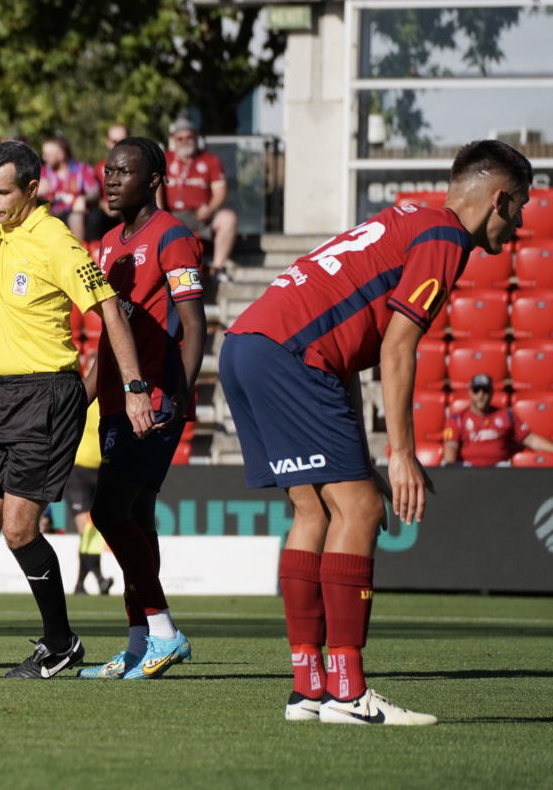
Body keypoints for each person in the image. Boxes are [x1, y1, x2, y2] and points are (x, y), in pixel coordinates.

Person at [219, 139, 532, 724]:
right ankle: (346, 690)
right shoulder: (444, 239)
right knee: (359, 512)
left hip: (247, 346)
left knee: (315, 512)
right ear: (500, 200)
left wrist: (363, 461)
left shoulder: (407, 218)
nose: (519, 225)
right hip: (293, 355)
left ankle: (308, 687)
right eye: (522, 208)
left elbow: (348, 352)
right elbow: (397, 347)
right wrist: (402, 453)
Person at [0, 20, 154, 681]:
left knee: (19, 527)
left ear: (33, 189)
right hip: (0, 394)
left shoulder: (56, 242)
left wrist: (132, 388)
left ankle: (61, 643)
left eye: (1, 193)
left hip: (50, 394)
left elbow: (107, 307)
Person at [77, 135, 207, 680]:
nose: (110, 179)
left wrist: (178, 393)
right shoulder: (106, 243)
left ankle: (164, 632)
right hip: (113, 403)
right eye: (107, 171)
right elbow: (110, 338)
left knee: (107, 512)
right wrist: (77, 403)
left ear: (153, 179)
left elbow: (195, 323)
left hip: (151, 403)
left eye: (122, 171)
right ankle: (138, 645)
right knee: (136, 519)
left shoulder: (172, 237)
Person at [159, 117, 238, 283]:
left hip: (199, 216)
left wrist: (210, 208)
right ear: (173, 140)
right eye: (180, 139)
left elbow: (220, 191)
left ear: (195, 138)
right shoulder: (164, 159)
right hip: (172, 216)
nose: (184, 142)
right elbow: (155, 187)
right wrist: (159, 212)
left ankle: (218, 268)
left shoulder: (209, 160)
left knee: (228, 218)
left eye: (188, 137)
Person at [442, 374, 553, 466]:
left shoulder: (506, 415)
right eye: (476, 390)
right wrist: (452, 469)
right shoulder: (457, 418)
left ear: (492, 392)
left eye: (485, 390)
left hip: (500, 467)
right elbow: (451, 446)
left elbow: (530, 440)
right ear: (470, 392)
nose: (481, 395)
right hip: (468, 467)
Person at [66, 400, 113, 596]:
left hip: (102, 471)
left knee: (93, 532)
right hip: (77, 471)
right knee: (87, 530)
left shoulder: (111, 404)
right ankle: (100, 578)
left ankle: (79, 585)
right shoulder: (81, 399)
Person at [37, 134, 105, 241]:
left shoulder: (82, 169)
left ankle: (78, 251)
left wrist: (83, 198)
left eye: (47, 154)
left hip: (76, 213)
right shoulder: (42, 172)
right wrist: (37, 192)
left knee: (76, 218)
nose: (44, 158)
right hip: (52, 213)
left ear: (61, 155)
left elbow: (94, 191)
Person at [97, 124, 130, 224]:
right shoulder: (99, 168)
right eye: (114, 141)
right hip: (107, 213)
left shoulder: (139, 167)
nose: (118, 145)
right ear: (108, 142)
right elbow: (95, 197)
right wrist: (104, 205)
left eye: (123, 141)